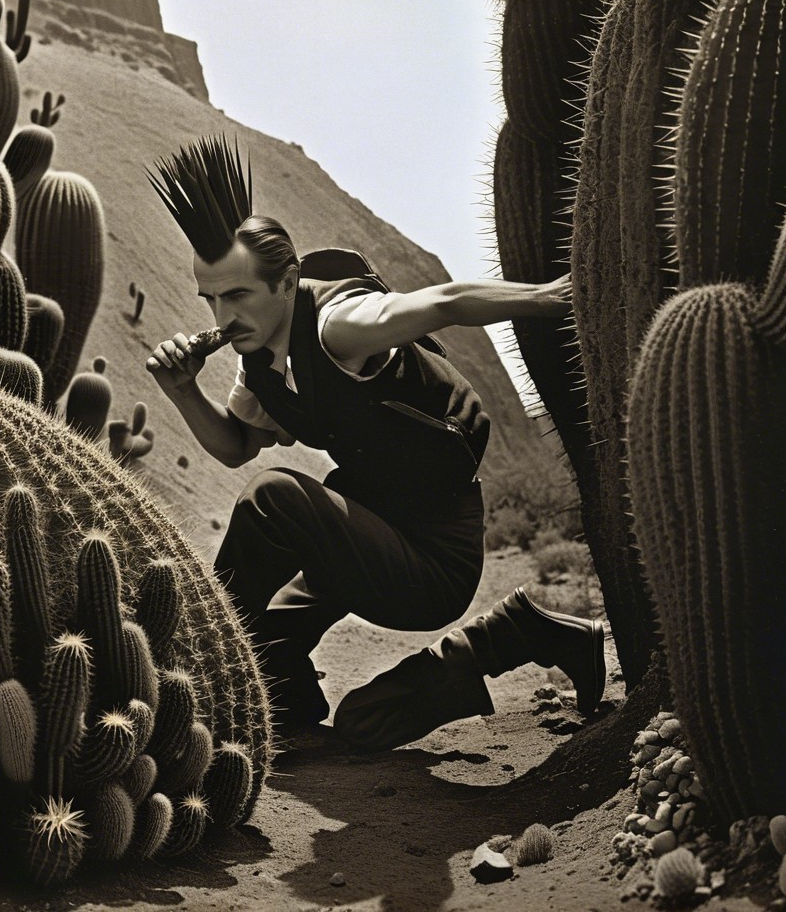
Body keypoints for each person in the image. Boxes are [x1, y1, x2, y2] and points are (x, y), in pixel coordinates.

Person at [145, 134, 605, 743]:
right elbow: (235, 445)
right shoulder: (257, 356)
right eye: (210, 298)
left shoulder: (341, 324)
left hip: (432, 558)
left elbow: (443, 302)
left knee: (274, 495)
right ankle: (510, 635)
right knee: (349, 714)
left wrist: (553, 298)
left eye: (237, 295)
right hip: (367, 534)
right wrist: (182, 390)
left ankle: (196, 667)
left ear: (286, 284)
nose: (221, 317)